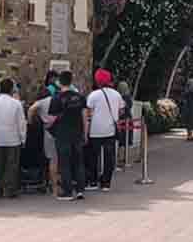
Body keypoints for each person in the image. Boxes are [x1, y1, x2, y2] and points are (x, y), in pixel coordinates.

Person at [46, 70, 89, 201]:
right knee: (78, 162)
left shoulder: (56, 98)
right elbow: (85, 117)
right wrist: (85, 133)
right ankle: (80, 190)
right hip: (77, 133)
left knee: (64, 163)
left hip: (62, 134)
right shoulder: (80, 97)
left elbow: (51, 118)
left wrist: (48, 125)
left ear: (59, 82)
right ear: (71, 81)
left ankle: (67, 191)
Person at [86, 69, 124, 191]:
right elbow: (121, 110)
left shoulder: (93, 95)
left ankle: (92, 181)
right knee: (109, 157)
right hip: (110, 130)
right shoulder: (117, 94)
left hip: (95, 130)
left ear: (97, 81)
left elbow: (88, 113)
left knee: (93, 157)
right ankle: (106, 183)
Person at [0, 78, 28, 199]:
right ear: (12, 89)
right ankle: (10, 190)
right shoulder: (16, 104)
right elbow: (21, 123)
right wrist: (23, 138)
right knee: (12, 166)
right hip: (13, 139)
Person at [30, 85, 60, 194]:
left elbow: (31, 109)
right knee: (60, 158)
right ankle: (60, 183)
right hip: (60, 130)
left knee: (53, 159)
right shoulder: (55, 99)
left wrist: (30, 121)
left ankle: (54, 186)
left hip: (49, 131)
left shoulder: (41, 102)